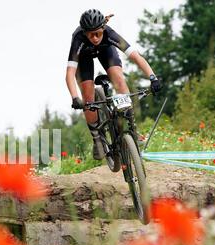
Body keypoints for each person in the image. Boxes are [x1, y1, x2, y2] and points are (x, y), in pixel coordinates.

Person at [66, 9, 162, 160]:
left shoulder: (110, 34)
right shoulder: (78, 39)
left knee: (118, 78)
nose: (95, 38)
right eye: (91, 34)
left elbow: (136, 56)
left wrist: (153, 77)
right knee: (88, 95)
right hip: (84, 58)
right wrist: (74, 97)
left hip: (106, 52)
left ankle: (131, 127)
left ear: (103, 28)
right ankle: (97, 137)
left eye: (98, 33)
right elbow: (70, 74)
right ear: (85, 33)